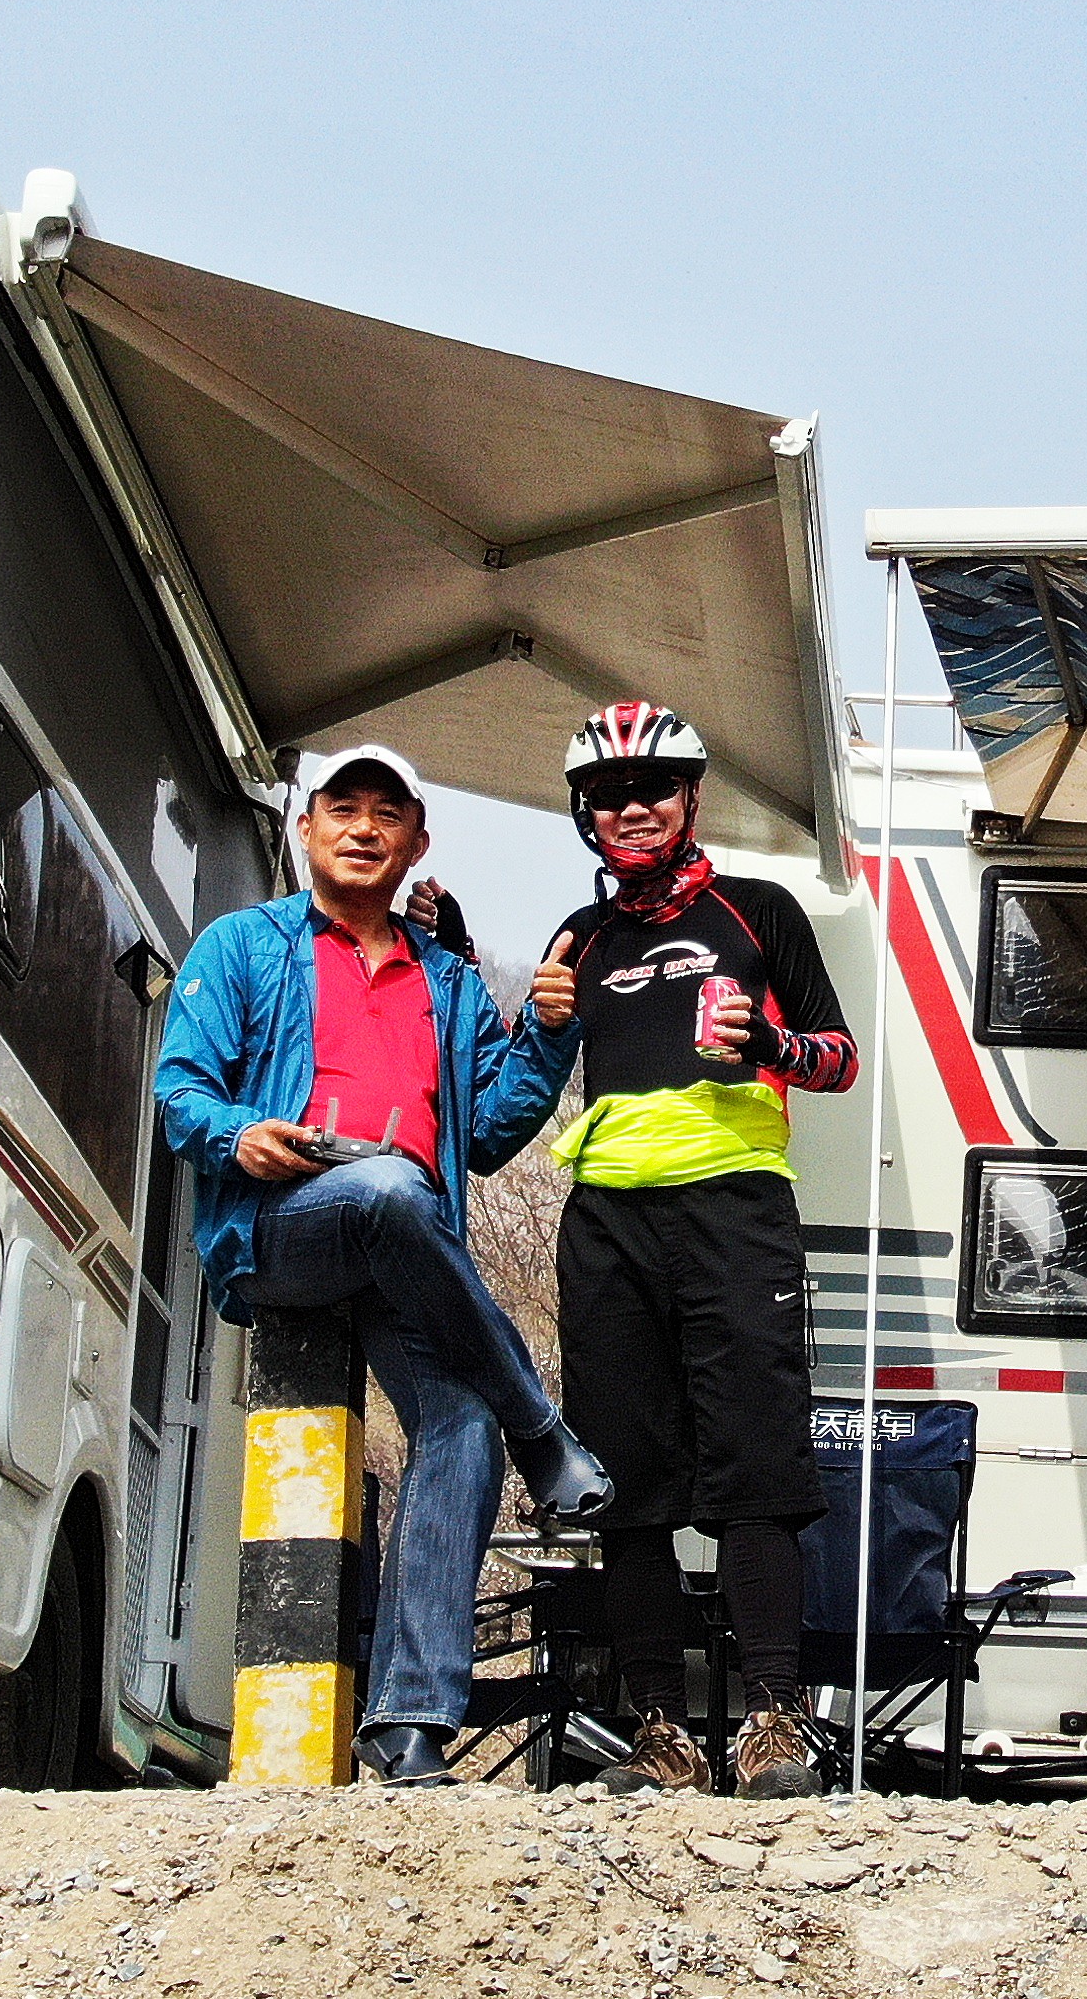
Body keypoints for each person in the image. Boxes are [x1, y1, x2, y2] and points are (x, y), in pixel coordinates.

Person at [154, 743, 613, 1786]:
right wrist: (239, 1137)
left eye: (386, 814)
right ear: (306, 830)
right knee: (387, 1188)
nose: (363, 828)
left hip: (407, 1246)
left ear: (416, 842)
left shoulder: (448, 982)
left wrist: (549, 1033)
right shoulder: (242, 947)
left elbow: (491, 1133)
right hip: (286, 1227)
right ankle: (547, 1431)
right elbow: (180, 1091)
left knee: (459, 1426)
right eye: (342, 809)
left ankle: (407, 1725)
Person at [542, 702, 860, 1799]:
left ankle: (774, 1726)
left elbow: (838, 1057)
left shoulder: (759, 909)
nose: (632, 808)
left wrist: (768, 1044)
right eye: (608, 795)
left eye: (653, 788)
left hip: (736, 1212)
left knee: (757, 1470)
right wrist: (515, 1010)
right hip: (606, 1222)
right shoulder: (574, 942)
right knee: (622, 1483)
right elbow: (523, 1087)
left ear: (690, 800)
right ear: (586, 816)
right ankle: (662, 1737)